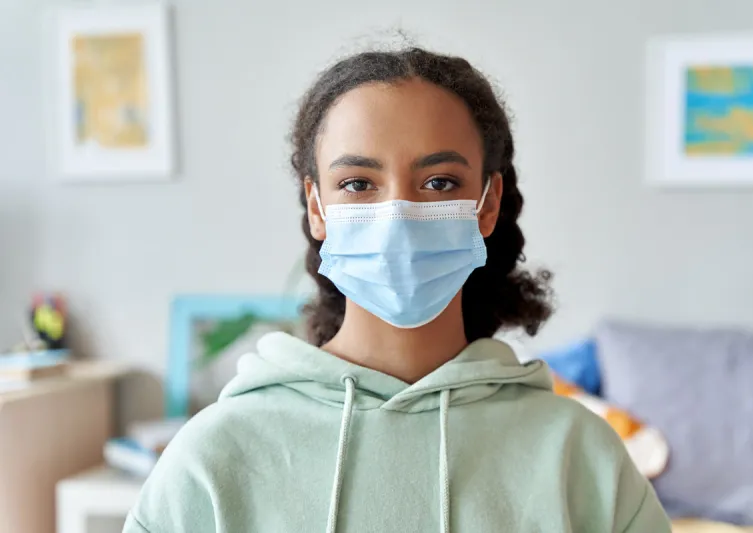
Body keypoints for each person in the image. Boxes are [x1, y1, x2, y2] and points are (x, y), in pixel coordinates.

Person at [123, 46, 671, 533]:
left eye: (439, 183)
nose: (398, 217)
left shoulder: (580, 457)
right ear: (318, 208)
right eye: (358, 184)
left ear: (488, 202)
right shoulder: (214, 458)